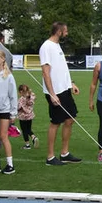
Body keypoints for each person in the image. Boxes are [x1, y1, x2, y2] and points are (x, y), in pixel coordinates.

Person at [39, 22, 82, 166]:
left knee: (70, 119)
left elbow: (61, 69)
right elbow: (46, 72)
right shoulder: (46, 47)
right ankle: (50, 157)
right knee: (55, 123)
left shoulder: (57, 46)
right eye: (65, 31)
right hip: (55, 92)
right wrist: (52, 94)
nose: (67, 33)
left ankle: (65, 153)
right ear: (58, 31)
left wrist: (71, 83)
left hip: (64, 90)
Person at [17, 84, 38, 149]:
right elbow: (34, 98)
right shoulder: (31, 96)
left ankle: (27, 145)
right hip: (30, 116)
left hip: (22, 117)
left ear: (20, 92)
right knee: (28, 129)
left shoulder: (21, 99)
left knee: (24, 130)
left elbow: (18, 107)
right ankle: (33, 137)